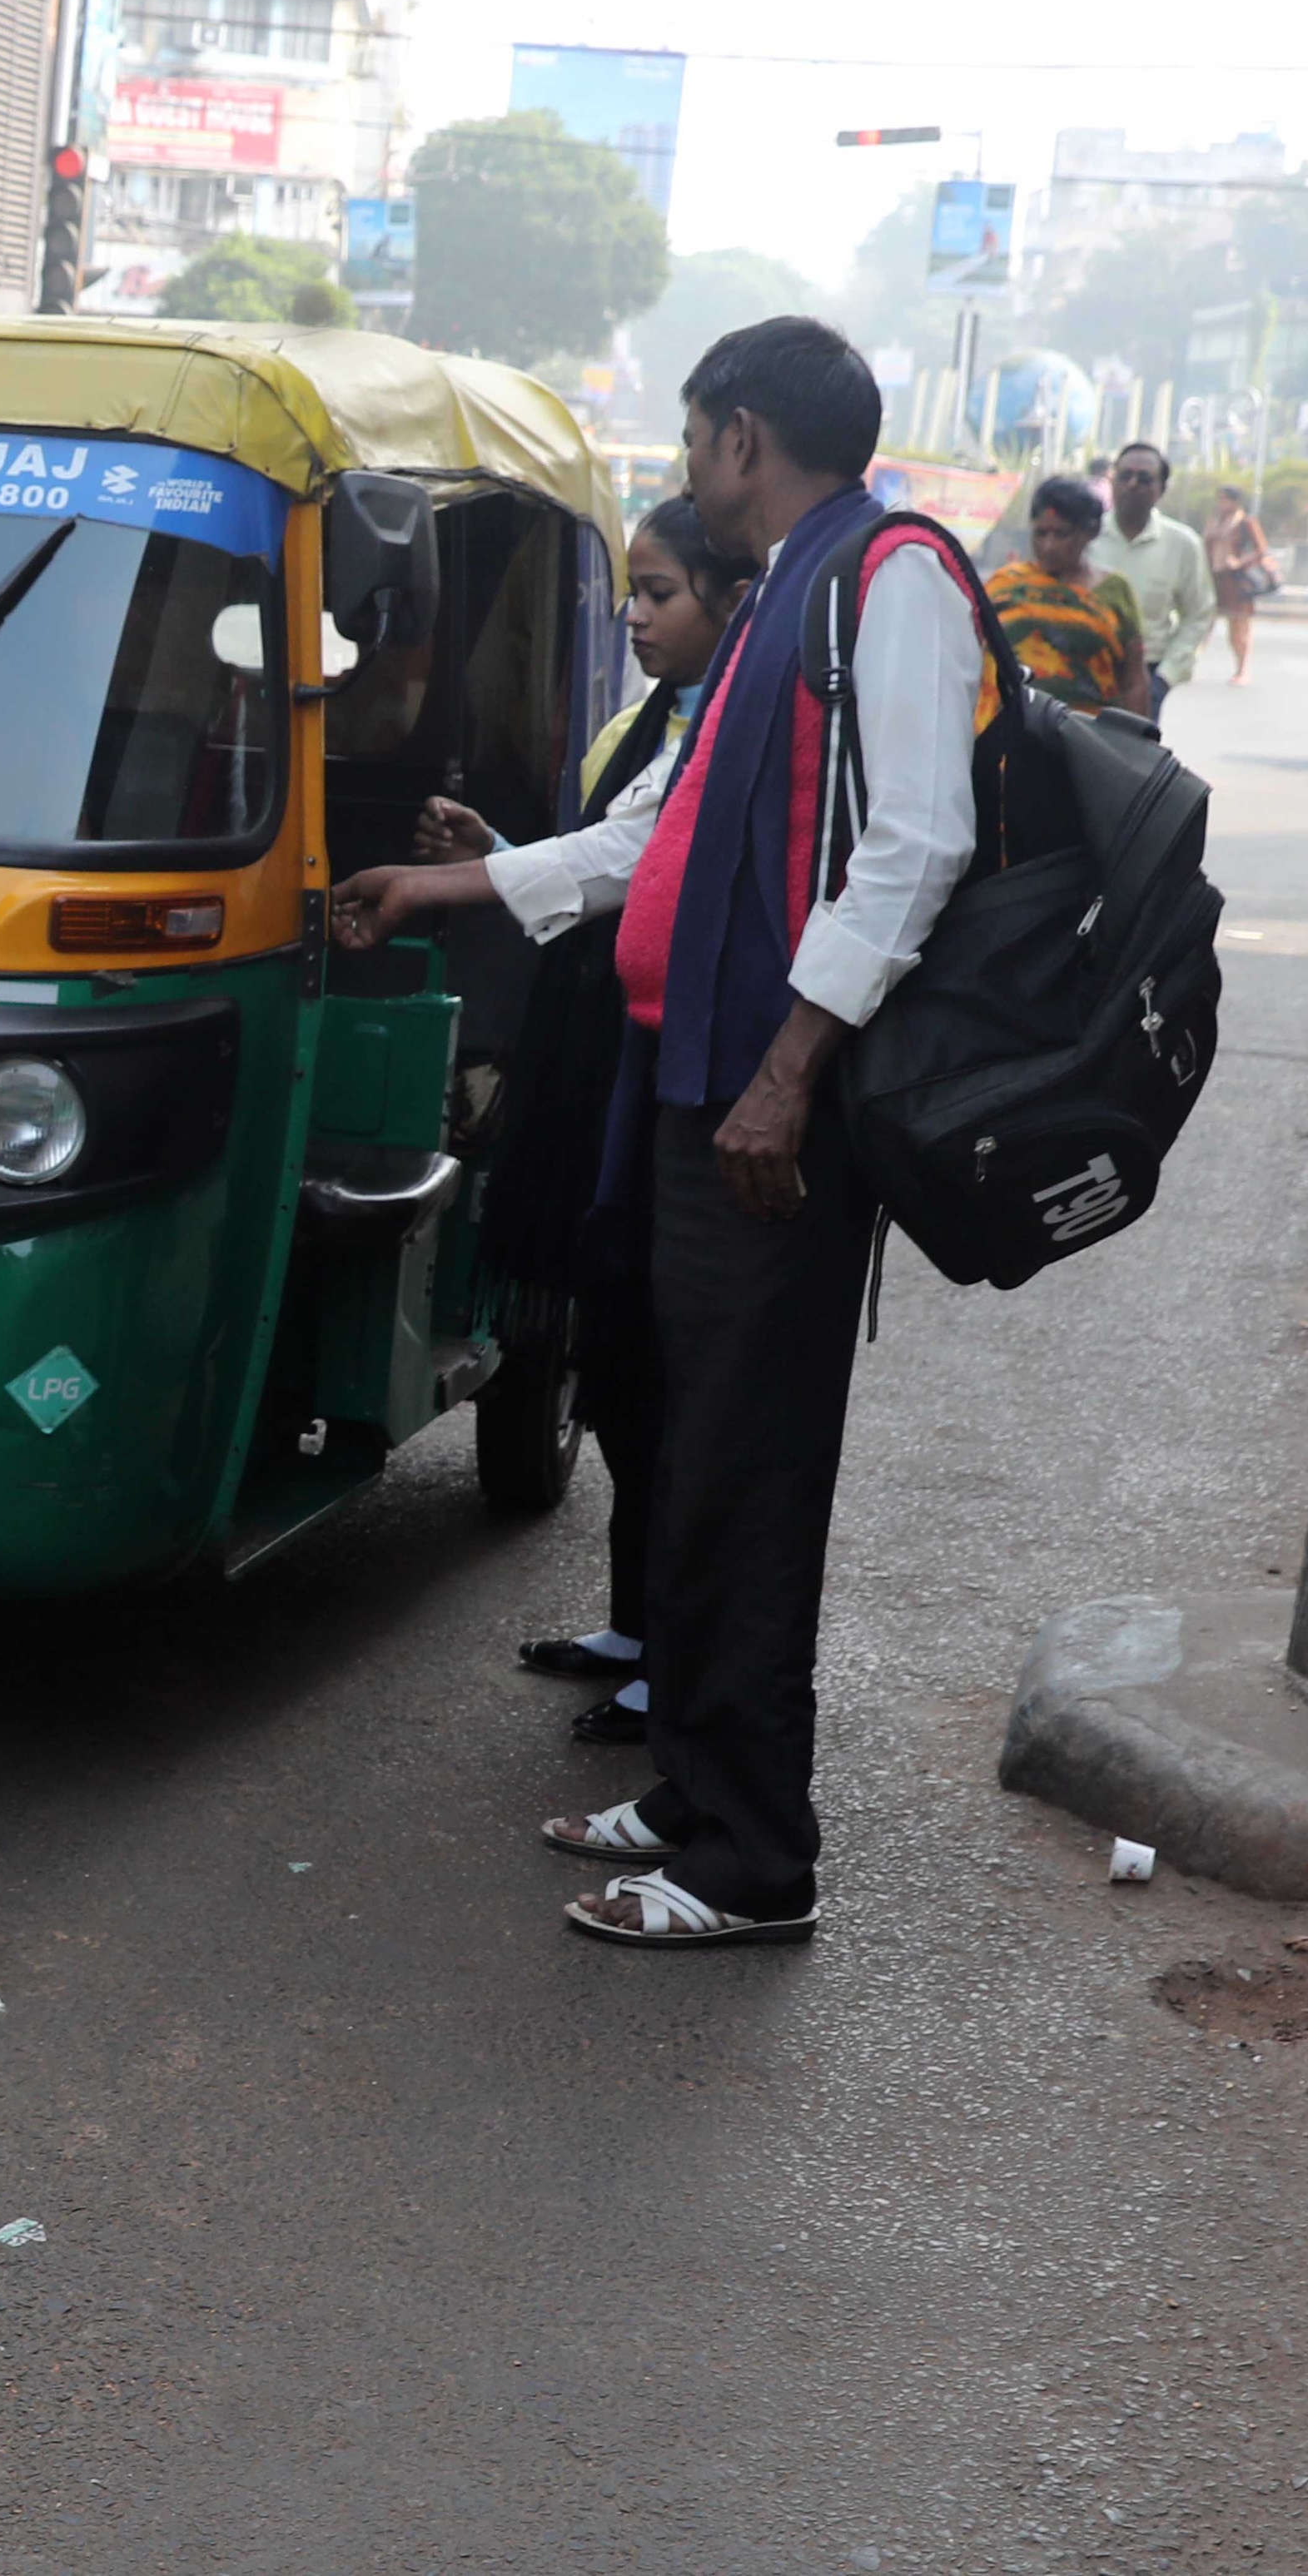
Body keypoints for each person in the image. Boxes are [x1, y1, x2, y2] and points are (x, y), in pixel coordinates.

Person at [326, 316, 984, 1950]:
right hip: (696, 1097)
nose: (688, 468)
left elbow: (915, 844)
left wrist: (785, 1066)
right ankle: (693, 1788)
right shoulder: (784, 596)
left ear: (741, 437)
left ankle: (750, 1857)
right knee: (689, 1458)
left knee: (746, 1478)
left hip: (769, 1114)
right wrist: (451, 883)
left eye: (695, 439)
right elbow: (655, 844)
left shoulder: (888, 574)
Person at [417, 499, 747, 1749]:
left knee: (661, 1371)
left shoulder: (733, 724)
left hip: (652, 1063)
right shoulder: (651, 718)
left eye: (661, 593)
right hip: (592, 1049)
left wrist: (458, 877)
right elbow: (603, 858)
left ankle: (677, 1653)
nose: (638, 616)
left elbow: (633, 859)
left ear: (727, 596)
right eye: (637, 593)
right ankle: (634, 1623)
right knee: (610, 1356)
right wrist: (498, 851)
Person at [987, 476, 1151, 710]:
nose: (1049, 546)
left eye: (1062, 534)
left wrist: (1137, 741)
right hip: (1008, 734)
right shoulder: (1004, 586)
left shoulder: (1114, 591)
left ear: (1091, 532)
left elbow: (1133, 679)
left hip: (1089, 736)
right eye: (1041, 533)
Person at [1087, 442, 1211, 714]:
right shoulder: (1086, 535)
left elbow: (1198, 614)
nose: (1133, 485)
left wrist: (1165, 678)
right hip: (1082, 670)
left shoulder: (1183, 545)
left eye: (1145, 479)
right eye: (1125, 476)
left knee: (1131, 756)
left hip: (1145, 675)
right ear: (1112, 481)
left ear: (1161, 489)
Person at [1209, 485, 1277, 682]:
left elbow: (1261, 549)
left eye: (1226, 500)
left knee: (1239, 629)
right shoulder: (1215, 522)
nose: (1222, 504)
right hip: (1216, 579)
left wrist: (1239, 562)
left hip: (1237, 583)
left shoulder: (1245, 523)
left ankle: (1242, 670)